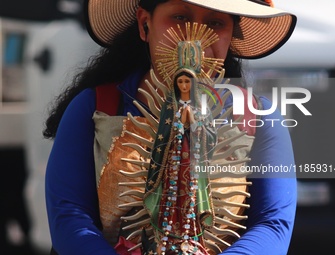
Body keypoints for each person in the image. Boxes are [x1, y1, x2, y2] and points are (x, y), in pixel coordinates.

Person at [44, 0, 297, 255]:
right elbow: (69, 217)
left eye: (215, 23)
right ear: (145, 24)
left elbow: (273, 224)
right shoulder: (96, 108)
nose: (193, 38)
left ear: (230, 35)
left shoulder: (260, 118)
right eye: (179, 17)